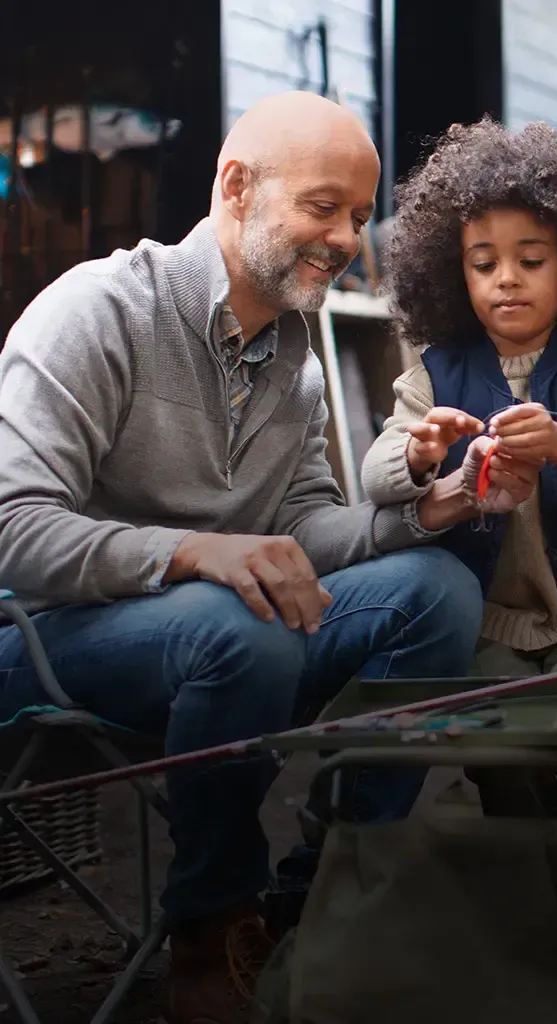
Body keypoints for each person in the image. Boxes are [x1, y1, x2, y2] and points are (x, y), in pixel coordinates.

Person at [0, 92, 484, 1024]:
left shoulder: (295, 361)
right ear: (236, 186)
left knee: (437, 590)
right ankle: (211, 927)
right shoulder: (97, 310)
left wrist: (430, 508)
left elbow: (304, 530)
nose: (347, 237)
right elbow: (15, 530)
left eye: (357, 214)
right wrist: (196, 552)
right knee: (244, 626)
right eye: (323, 206)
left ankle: (329, 890)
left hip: (221, 637)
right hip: (48, 637)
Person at [361, 118, 557, 1018]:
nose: (505, 278)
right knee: (498, 752)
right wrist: (423, 453)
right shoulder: (434, 373)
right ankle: (538, 917)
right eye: (482, 261)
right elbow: (375, 472)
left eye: (531, 258)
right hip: (489, 621)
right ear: (450, 273)